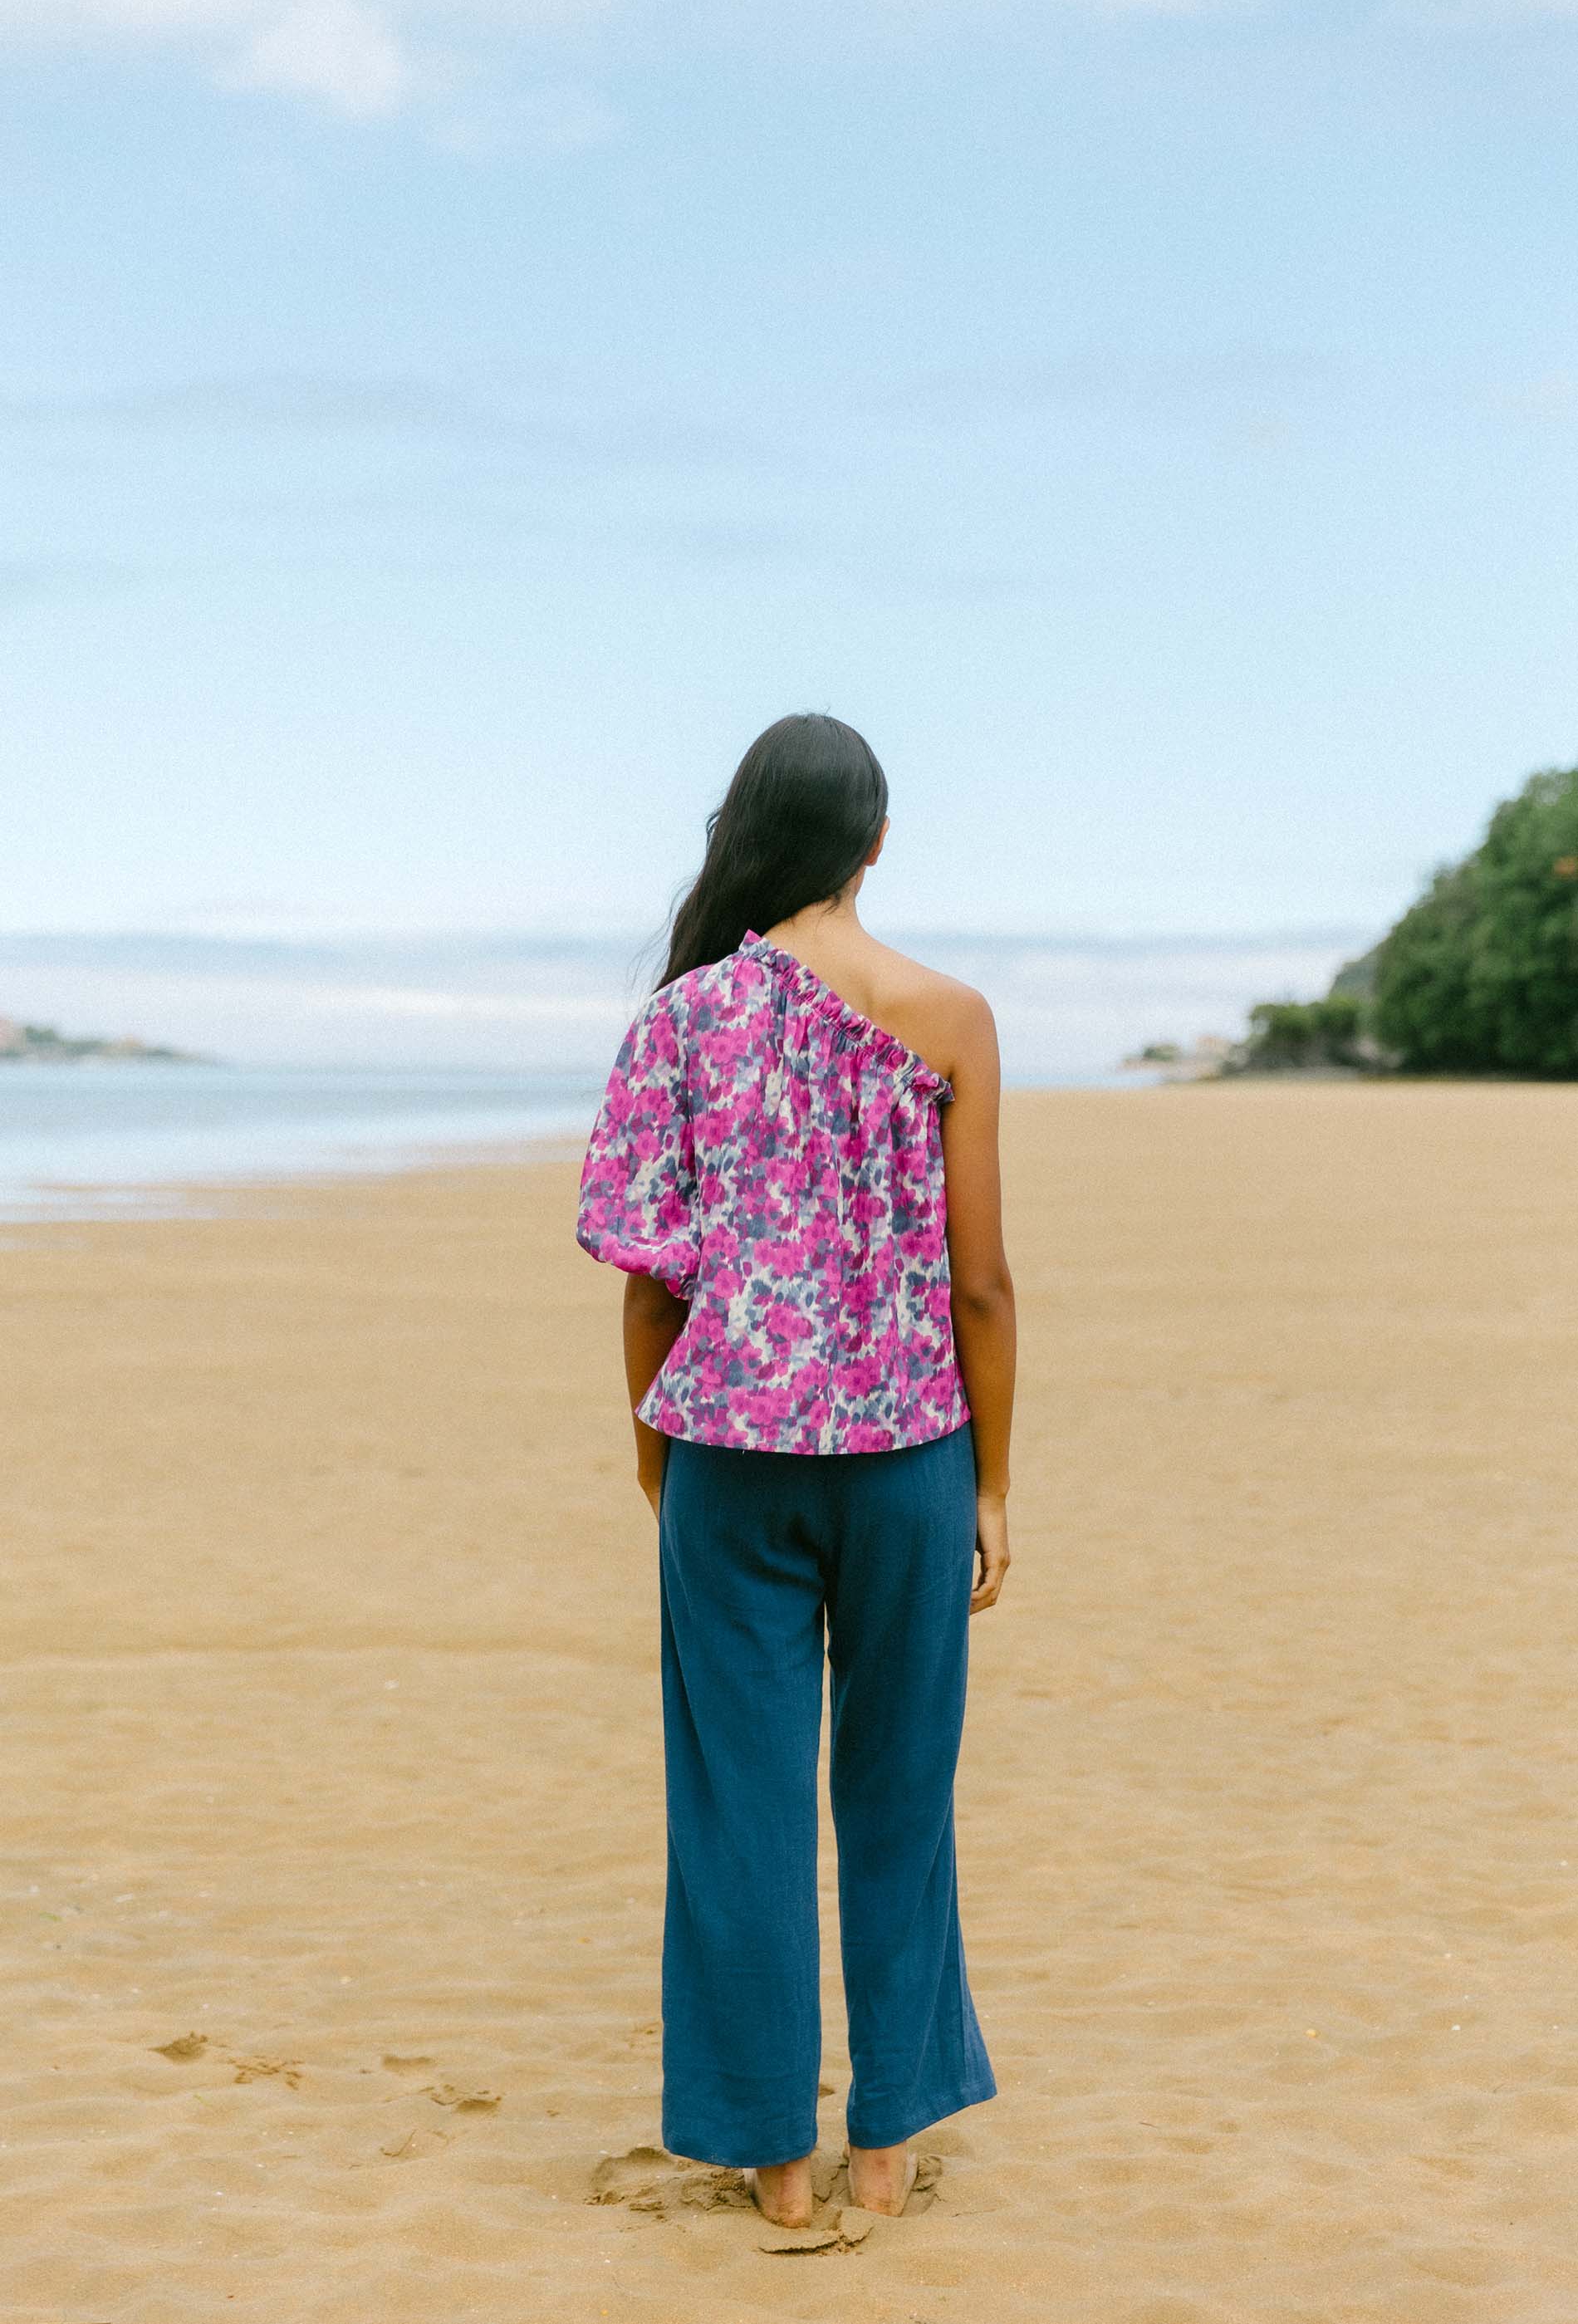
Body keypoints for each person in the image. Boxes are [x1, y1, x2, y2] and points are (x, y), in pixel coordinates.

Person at [575, 711, 1016, 2228]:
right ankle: (887, 2145)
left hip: (728, 1462)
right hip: (908, 1460)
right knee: (901, 1795)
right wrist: (994, 1485)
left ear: (750, 835)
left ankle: (774, 2161)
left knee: (740, 1809)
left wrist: (658, 1459)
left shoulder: (688, 1015)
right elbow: (982, 1286)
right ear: (876, 841)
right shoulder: (950, 1015)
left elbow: (647, 1285)